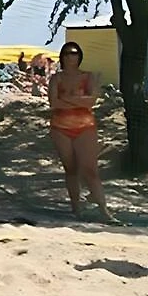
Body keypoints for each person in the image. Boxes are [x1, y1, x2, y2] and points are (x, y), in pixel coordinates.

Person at [48, 41, 115, 222]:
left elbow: (91, 102)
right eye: (67, 53)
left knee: (90, 169)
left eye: (75, 53)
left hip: (85, 126)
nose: (71, 56)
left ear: (80, 56)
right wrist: (78, 100)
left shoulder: (87, 76)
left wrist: (67, 98)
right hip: (61, 127)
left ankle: (104, 210)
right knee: (71, 169)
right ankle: (76, 208)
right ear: (62, 56)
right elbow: (54, 103)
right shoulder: (56, 78)